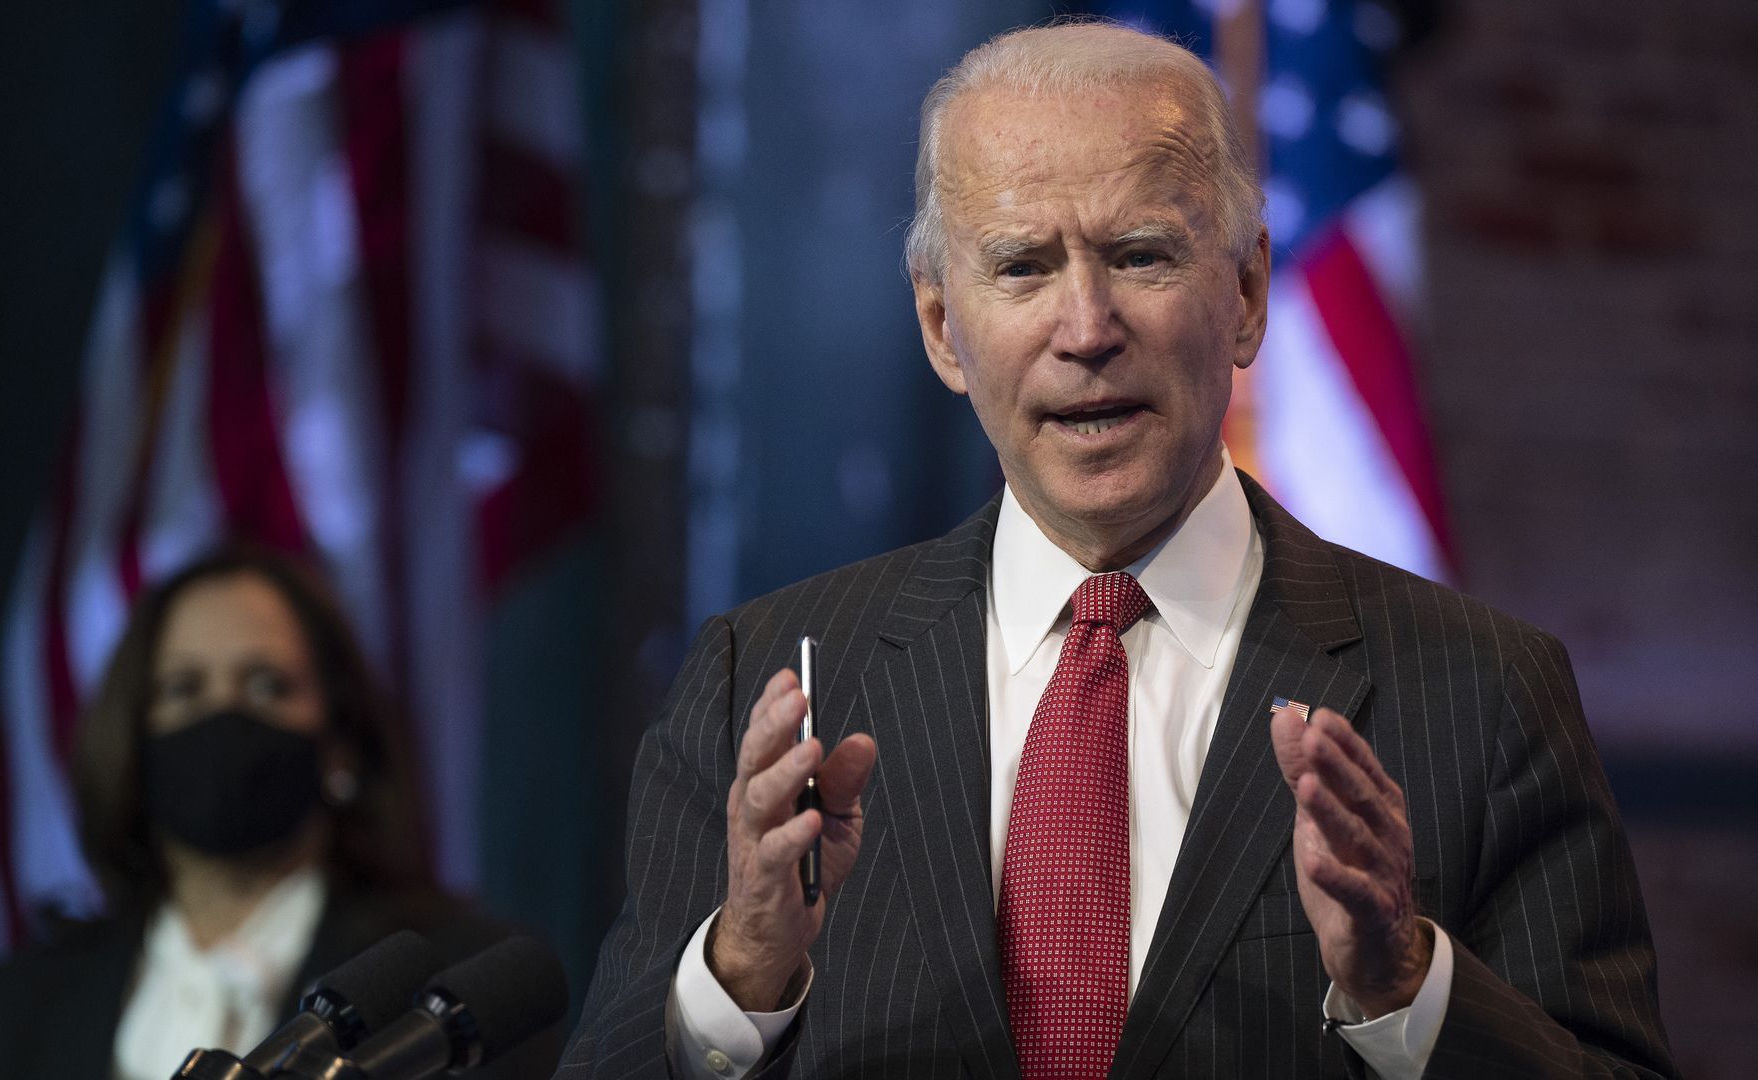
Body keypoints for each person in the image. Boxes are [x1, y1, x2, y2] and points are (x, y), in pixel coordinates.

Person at [560, 19, 1674, 1080]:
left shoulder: (1482, 692)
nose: (1087, 329)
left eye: (1140, 256)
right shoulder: (762, 682)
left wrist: (1410, 994)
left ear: (1246, 294)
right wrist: (740, 978)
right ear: (943, 329)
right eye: (1022, 268)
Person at [0, 547, 558, 1080]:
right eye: (184, 689)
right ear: (134, 741)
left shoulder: (457, 990)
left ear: (339, 744)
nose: (224, 715)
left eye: (266, 685)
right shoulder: (19, 1007)